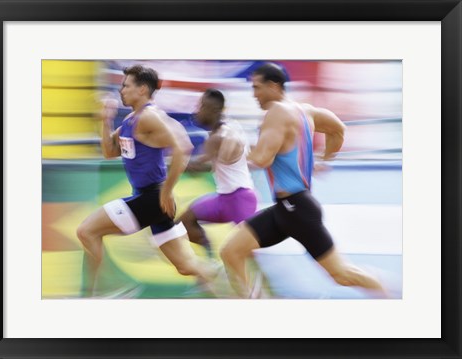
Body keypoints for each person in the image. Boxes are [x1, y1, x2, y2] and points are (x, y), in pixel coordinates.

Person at [219, 63, 387, 298]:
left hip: (297, 210)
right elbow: (338, 129)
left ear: (274, 85)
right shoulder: (304, 111)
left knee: (342, 274)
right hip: (285, 209)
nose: (253, 94)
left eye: (257, 87)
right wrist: (324, 159)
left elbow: (262, 159)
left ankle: (388, 294)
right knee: (231, 252)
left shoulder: (277, 113)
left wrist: (232, 150)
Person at [76, 64, 216, 297]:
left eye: (126, 86)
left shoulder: (150, 116)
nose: (121, 90)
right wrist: (105, 120)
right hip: (151, 200)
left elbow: (183, 148)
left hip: (152, 198)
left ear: (142, 89)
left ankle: (107, 288)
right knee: (186, 267)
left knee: (86, 231)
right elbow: (110, 151)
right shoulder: (132, 120)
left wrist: (166, 191)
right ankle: (222, 279)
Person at [178, 89, 258, 256]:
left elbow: (198, 168)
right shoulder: (224, 130)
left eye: (201, 106)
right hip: (224, 198)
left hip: (241, 199)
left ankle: (258, 280)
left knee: (249, 254)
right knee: (185, 221)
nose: (196, 111)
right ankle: (212, 261)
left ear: (214, 110)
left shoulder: (223, 134)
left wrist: (177, 161)